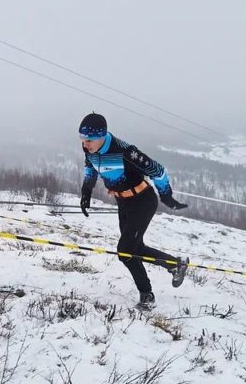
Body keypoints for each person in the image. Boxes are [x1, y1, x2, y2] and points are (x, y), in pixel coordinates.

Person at [78, 113, 189, 308]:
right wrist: (86, 191)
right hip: (124, 202)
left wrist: (167, 196)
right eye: (82, 139)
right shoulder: (90, 149)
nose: (85, 144)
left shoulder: (125, 152)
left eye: (88, 140)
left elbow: (158, 170)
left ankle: (147, 295)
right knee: (134, 249)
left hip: (143, 202)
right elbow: (90, 166)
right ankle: (176, 264)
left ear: (102, 136)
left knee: (125, 251)